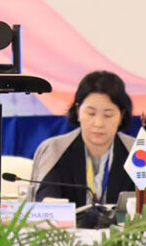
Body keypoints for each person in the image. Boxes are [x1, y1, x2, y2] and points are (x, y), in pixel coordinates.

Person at [28, 71, 137, 206]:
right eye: (91, 113)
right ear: (78, 110)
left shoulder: (137, 151)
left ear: (122, 115)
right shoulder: (55, 150)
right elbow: (46, 195)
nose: (98, 123)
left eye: (108, 115)